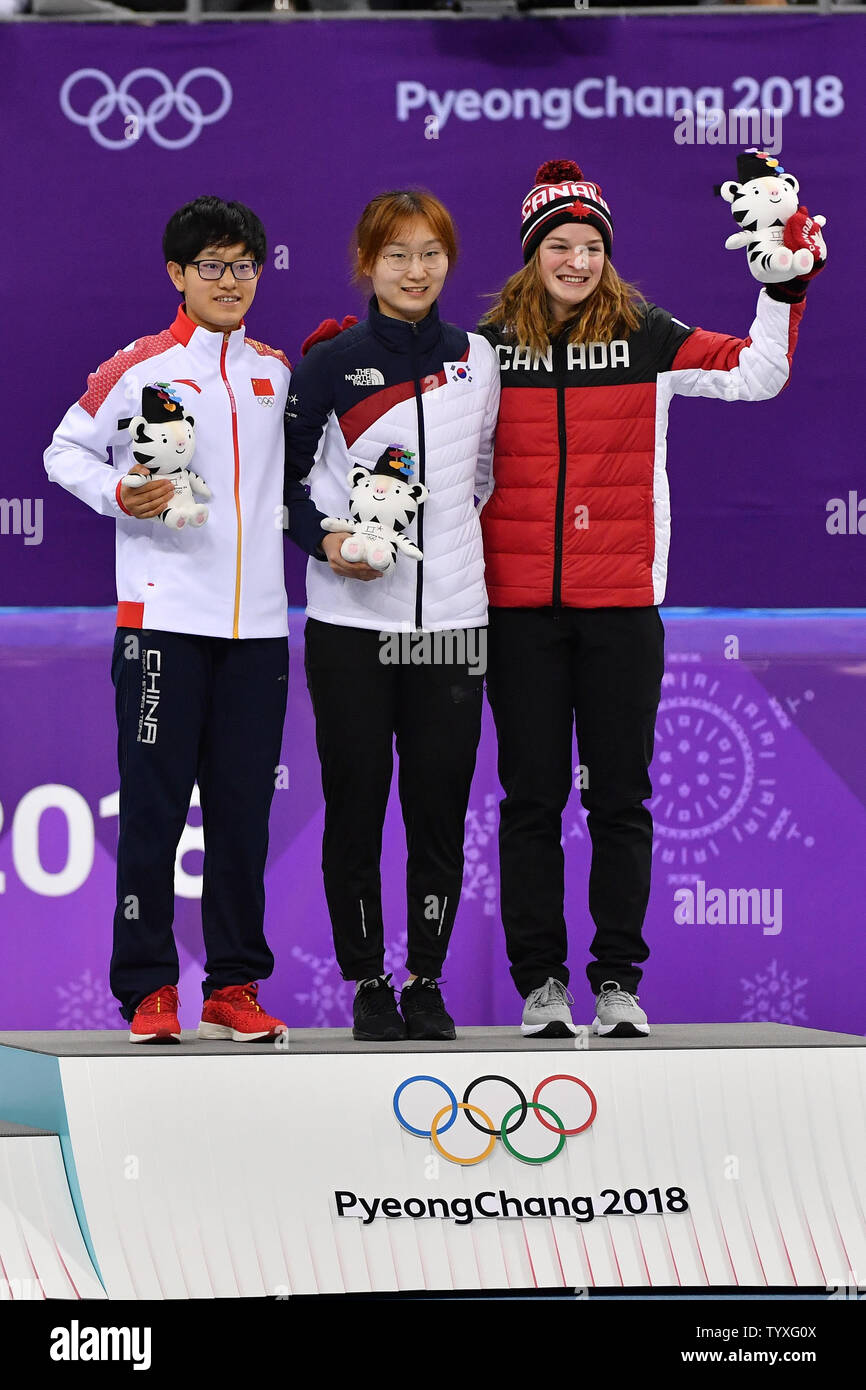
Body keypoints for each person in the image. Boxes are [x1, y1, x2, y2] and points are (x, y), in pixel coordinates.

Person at [478, 155, 822, 1040]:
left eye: (590, 245)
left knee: (621, 800)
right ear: (531, 254)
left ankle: (618, 981)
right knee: (529, 801)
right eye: (560, 244)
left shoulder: (644, 333)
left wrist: (781, 293)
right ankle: (542, 984)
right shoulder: (486, 349)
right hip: (517, 610)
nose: (577, 261)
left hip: (623, 604)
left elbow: (758, 373)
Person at [44, 196, 291, 1044]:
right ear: (177, 276)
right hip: (162, 625)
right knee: (152, 809)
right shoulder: (141, 365)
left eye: (245, 265)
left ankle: (234, 985)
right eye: (213, 267)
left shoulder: (274, 371)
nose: (231, 281)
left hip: (258, 632)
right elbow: (63, 449)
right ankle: (149, 989)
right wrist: (120, 494)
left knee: (241, 815)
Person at [283, 189, 500, 1042]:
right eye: (397, 254)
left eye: (431, 253)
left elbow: (481, 475)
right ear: (366, 264)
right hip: (350, 631)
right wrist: (330, 543)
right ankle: (368, 978)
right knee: (357, 806)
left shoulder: (476, 359)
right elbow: (288, 490)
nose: (416, 271)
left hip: (452, 625)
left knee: (440, 809)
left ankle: (427, 979)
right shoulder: (329, 365)